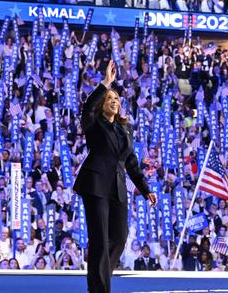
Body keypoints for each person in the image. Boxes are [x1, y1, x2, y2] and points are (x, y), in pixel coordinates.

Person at [73, 60, 157, 293]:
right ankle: (100, 288)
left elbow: (130, 161)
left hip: (118, 187)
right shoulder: (93, 124)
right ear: (102, 105)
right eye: (109, 98)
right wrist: (106, 83)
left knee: (119, 237)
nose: (114, 101)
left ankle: (99, 279)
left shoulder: (126, 129)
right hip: (96, 184)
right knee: (99, 239)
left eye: (116, 99)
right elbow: (87, 107)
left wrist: (146, 188)